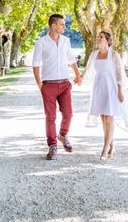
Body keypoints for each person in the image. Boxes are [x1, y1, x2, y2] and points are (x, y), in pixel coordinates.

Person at [32, 14, 82, 160]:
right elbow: (35, 65)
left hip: (65, 84)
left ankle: (63, 135)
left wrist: (78, 75)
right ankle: (52, 145)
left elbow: (71, 59)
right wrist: (40, 85)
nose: (64, 27)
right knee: (50, 117)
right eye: (61, 24)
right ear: (53, 25)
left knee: (68, 114)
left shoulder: (66, 40)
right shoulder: (41, 42)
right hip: (49, 85)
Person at [81, 30, 128, 160]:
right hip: (99, 88)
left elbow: (120, 74)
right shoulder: (94, 54)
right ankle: (112, 145)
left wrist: (120, 90)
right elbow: (86, 70)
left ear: (108, 40)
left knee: (109, 118)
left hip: (111, 88)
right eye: (98, 37)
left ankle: (104, 149)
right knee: (103, 119)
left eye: (101, 37)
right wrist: (79, 78)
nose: (98, 38)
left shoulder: (114, 55)